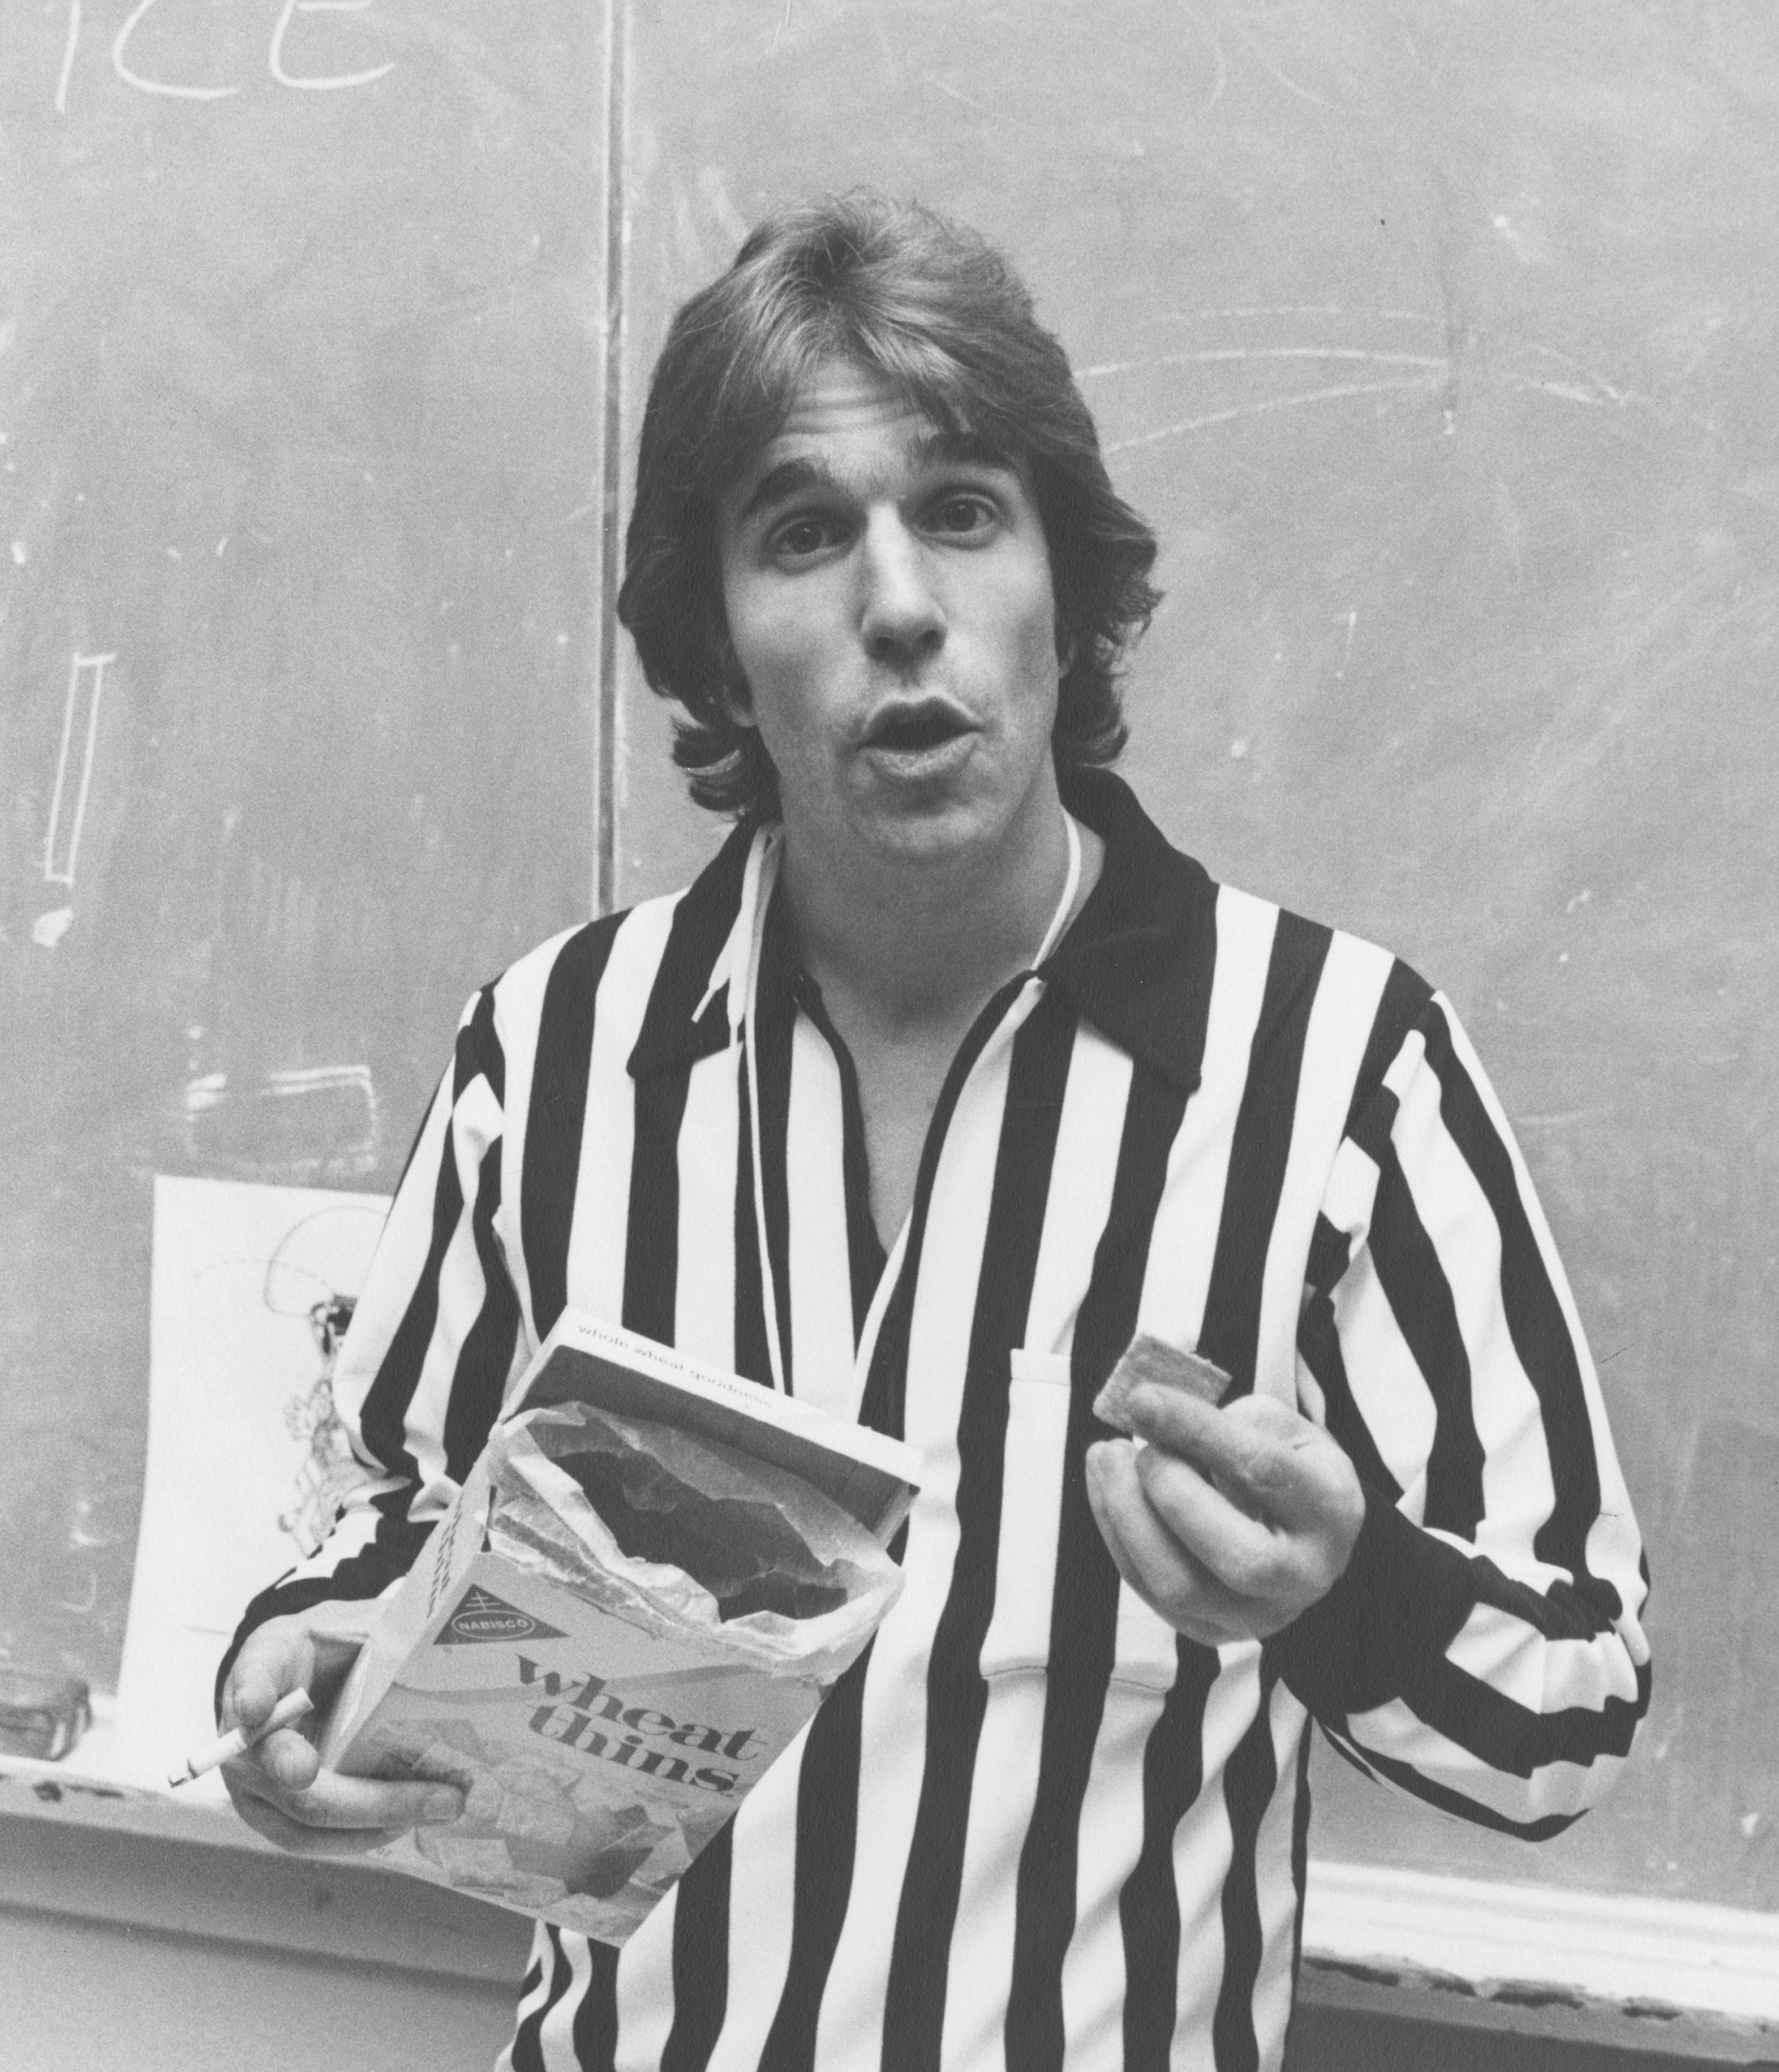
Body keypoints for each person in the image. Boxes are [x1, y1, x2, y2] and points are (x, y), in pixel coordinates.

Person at [218, 193, 1651, 2071]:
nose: (901, 603)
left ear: (1064, 585)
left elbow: (1576, 1700)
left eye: (963, 510)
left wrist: (1341, 1591)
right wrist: (299, 1666)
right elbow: (383, 1513)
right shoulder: (553, 1055)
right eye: (805, 535)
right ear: (718, 647)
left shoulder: (1341, 1069)